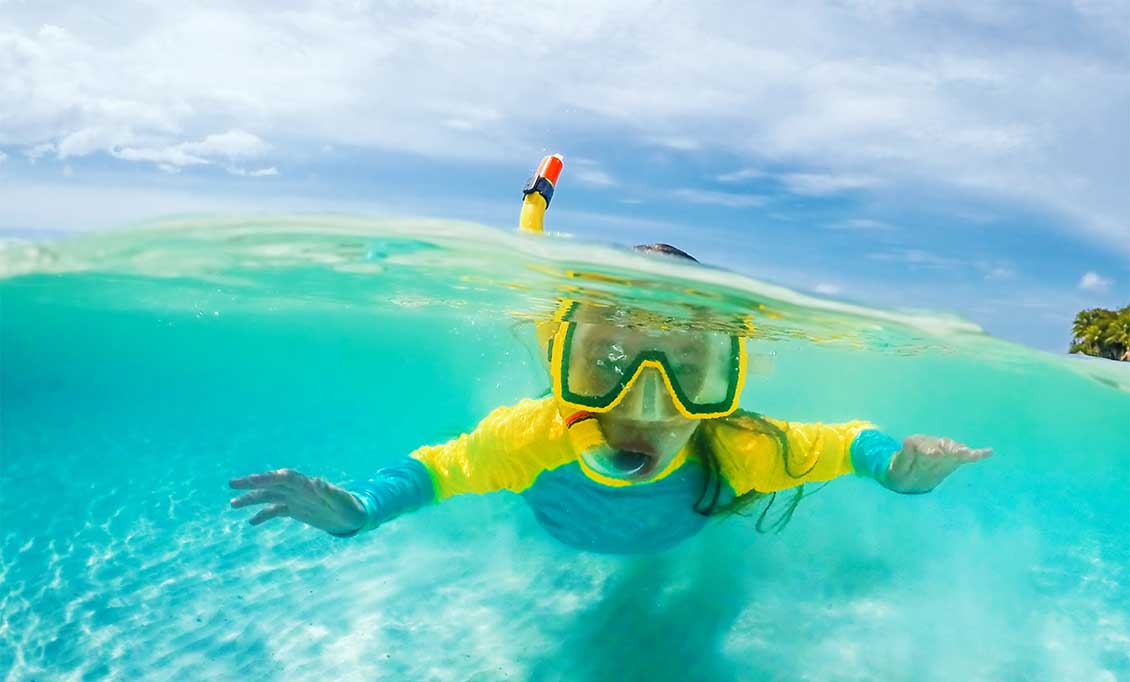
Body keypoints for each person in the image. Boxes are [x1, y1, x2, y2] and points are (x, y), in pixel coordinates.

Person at [228, 158, 992, 554]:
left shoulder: (739, 451)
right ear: (562, 363)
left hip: (684, 535)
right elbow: (436, 468)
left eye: (690, 371)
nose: (648, 404)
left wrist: (899, 470)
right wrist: (360, 510)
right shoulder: (534, 435)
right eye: (611, 361)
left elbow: (849, 442)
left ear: (729, 379)